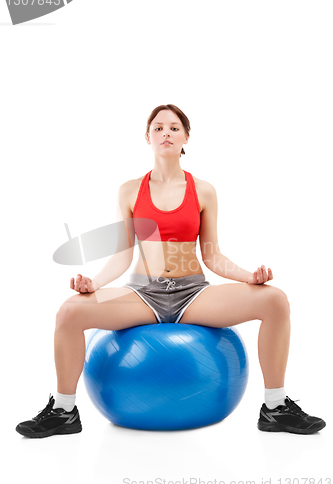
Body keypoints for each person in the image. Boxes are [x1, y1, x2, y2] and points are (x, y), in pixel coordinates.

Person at [16, 104, 326, 438]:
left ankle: (275, 407)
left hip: (193, 294)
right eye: (159, 127)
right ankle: (64, 412)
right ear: (147, 137)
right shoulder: (130, 190)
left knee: (275, 300)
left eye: (174, 128)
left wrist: (249, 277)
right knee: (69, 311)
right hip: (143, 293)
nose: (166, 133)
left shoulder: (203, 190)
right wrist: (94, 283)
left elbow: (212, 254)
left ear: (186, 138)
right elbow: (122, 256)